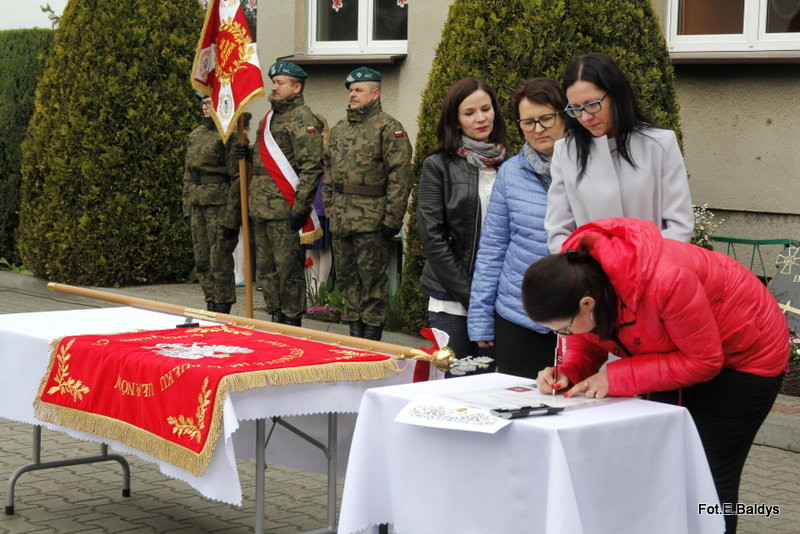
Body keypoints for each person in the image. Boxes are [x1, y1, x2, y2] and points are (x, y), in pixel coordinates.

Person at [522, 217, 788, 534]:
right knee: (661, 461)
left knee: (709, 473)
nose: (563, 334)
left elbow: (703, 361)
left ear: (587, 303)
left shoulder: (667, 280)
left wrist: (615, 378)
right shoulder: (579, 284)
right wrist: (567, 372)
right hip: (678, 355)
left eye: (563, 328)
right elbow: (586, 343)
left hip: (746, 358)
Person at [467, 78, 567, 378]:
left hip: (579, 319)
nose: (538, 130)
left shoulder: (591, 167)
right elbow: (493, 248)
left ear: (564, 115)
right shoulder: (511, 172)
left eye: (546, 118)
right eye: (528, 122)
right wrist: (480, 318)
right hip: (519, 316)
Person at [545, 52, 693, 253]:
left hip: (651, 270)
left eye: (592, 104)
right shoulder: (566, 153)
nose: (585, 117)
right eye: (576, 108)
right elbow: (558, 231)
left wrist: (628, 257)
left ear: (616, 95)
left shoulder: (659, 144)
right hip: (592, 275)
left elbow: (680, 226)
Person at [417, 77, 508, 371]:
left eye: (486, 108)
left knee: (495, 384)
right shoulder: (438, 166)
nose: (481, 118)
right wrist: (473, 297)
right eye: (469, 113)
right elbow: (433, 238)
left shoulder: (513, 164)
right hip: (452, 299)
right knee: (457, 382)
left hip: (501, 298)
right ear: (455, 120)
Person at [325, 67, 412, 340]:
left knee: (372, 283)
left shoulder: (389, 128)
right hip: (341, 219)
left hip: (371, 221)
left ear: (376, 93)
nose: (353, 94)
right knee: (348, 281)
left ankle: (373, 342)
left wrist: (392, 219)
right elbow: (328, 172)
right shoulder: (339, 130)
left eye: (359, 90)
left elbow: (400, 177)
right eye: (351, 90)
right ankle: (353, 337)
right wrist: (329, 208)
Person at [237, 61, 324, 326]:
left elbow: (311, 167)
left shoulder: (304, 120)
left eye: (280, 83)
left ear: (296, 88)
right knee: (266, 270)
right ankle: (274, 318)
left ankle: (291, 320)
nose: (274, 87)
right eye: (274, 82)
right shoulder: (269, 117)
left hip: (285, 209)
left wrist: (300, 206)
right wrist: (248, 153)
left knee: (288, 270)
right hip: (261, 206)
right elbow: (267, 160)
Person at [183, 93, 240, 314]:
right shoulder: (195, 135)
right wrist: (187, 206)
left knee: (220, 260)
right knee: (202, 260)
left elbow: (236, 177)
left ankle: (223, 306)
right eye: (203, 103)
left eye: (210, 103)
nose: (206, 107)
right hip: (197, 203)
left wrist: (231, 214)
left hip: (219, 203)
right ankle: (210, 303)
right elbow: (187, 174)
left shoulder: (228, 136)